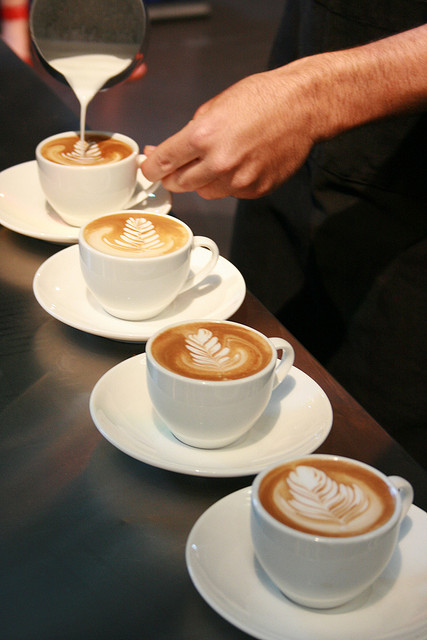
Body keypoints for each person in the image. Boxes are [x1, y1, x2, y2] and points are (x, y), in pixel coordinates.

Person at [141, 3, 427, 467]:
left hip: (410, 212)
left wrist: (315, 95)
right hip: (294, 118)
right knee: (256, 396)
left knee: (375, 458)